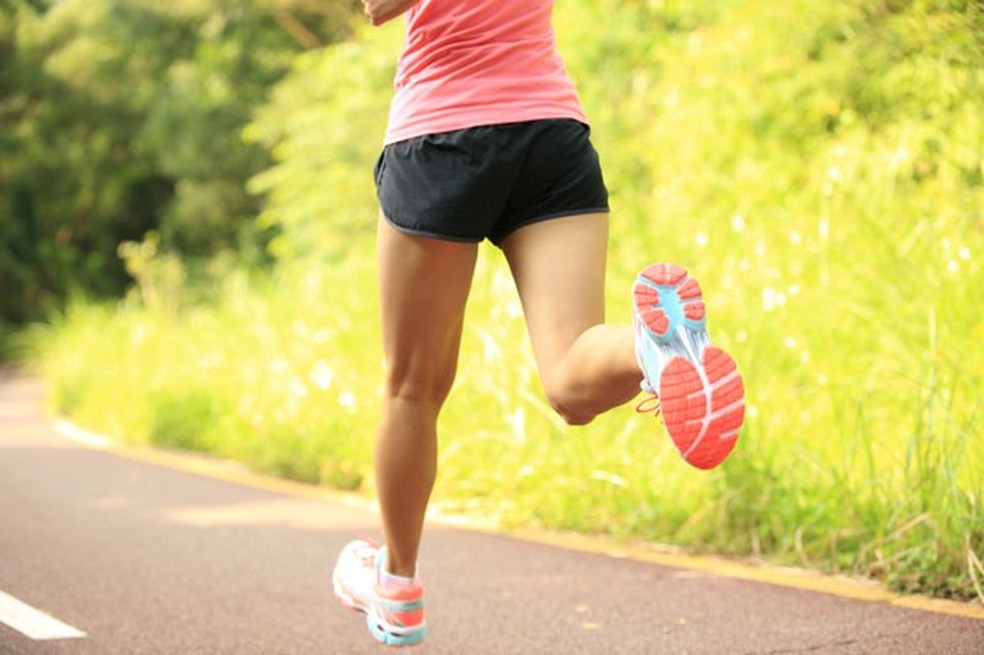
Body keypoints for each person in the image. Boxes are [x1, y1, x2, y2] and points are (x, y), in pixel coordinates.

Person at [332, 0, 746, 646]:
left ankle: (397, 583)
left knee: (412, 386)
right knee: (571, 379)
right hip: (550, 133)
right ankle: (653, 350)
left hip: (442, 135)